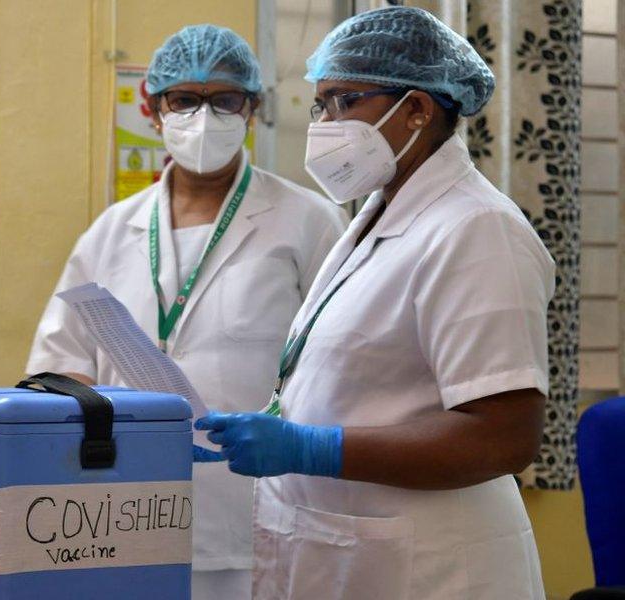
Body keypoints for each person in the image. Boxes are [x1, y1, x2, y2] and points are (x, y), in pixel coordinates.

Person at [195, 7, 553, 599]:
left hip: (433, 570)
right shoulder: (378, 216)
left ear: (417, 108)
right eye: (320, 105)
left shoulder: (478, 230)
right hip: (352, 554)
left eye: (344, 101)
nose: (324, 124)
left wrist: (312, 447)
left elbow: (503, 437)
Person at [27, 24, 347, 600]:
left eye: (225, 99)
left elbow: (344, 363)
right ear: (154, 111)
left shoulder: (309, 223)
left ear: (252, 108)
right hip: (123, 508)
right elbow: (61, 361)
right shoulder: (109, 232)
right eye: (185, 100)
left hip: (260, 511)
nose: (205, 117)